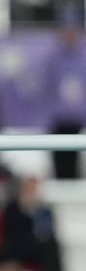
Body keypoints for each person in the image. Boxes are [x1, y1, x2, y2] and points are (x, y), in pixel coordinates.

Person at [46, 24, 86, 179]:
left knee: (74, 159)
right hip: (58, 119)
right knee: (59, 159)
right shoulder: (54, 60)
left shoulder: (82, 60)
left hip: (76, 119)